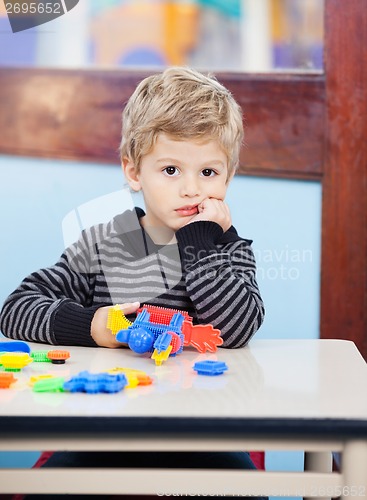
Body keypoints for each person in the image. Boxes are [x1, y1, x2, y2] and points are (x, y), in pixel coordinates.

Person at [0, 67, 265, 498]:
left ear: (228, 177)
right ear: (134, 171)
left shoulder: (229, 248)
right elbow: (16, 307)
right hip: (106, 430)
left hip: (200, 435)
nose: (192, 190)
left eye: (209, 173)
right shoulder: (104, 243)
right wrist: (92, 326)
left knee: (246, 490)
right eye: (171, 170)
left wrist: (199, 240)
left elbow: (236, 328)